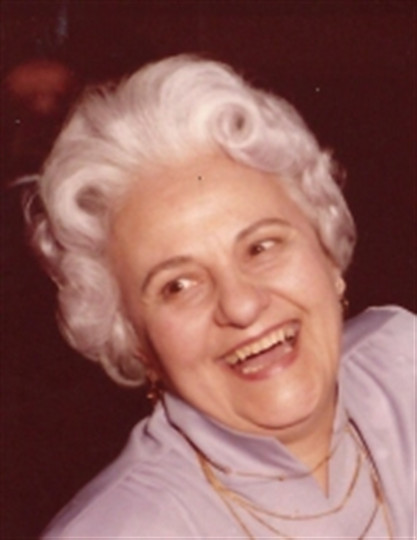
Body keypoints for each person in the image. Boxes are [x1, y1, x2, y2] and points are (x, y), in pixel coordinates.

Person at [23, 55, 414, 538]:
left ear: (328, 252)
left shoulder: (404, 365)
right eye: (178, 285)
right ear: (135, 342)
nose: (242, 306)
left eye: (261, 247)